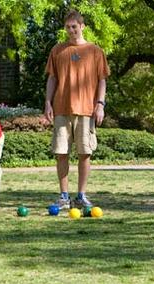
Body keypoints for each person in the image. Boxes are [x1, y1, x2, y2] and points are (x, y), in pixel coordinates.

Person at [43, 10, 110, 210]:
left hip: (86, 110)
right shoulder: (57, 50)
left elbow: (102, 81)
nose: (71, 30)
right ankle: (64, 196)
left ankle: (81, 195)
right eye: (68, 27)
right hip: (61, 109)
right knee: (61, 152)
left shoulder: (95, 51)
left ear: (82, 27)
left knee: (84, 153)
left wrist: (100, 104)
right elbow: (52, 78)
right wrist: (47, 102)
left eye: (74, 26)